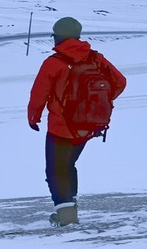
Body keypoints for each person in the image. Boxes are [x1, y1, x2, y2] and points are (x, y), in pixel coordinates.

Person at [28, 16, 126, 227]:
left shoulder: (53, 63)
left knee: (56, 170)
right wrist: (98, 104)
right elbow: (120, 82)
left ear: (58, 37)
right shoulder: (96, 58)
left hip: (61, 127)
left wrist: (33, 117)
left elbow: (39, 94)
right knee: (68, 165)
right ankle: (70, 208)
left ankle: (66, 216)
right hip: (88, 126)